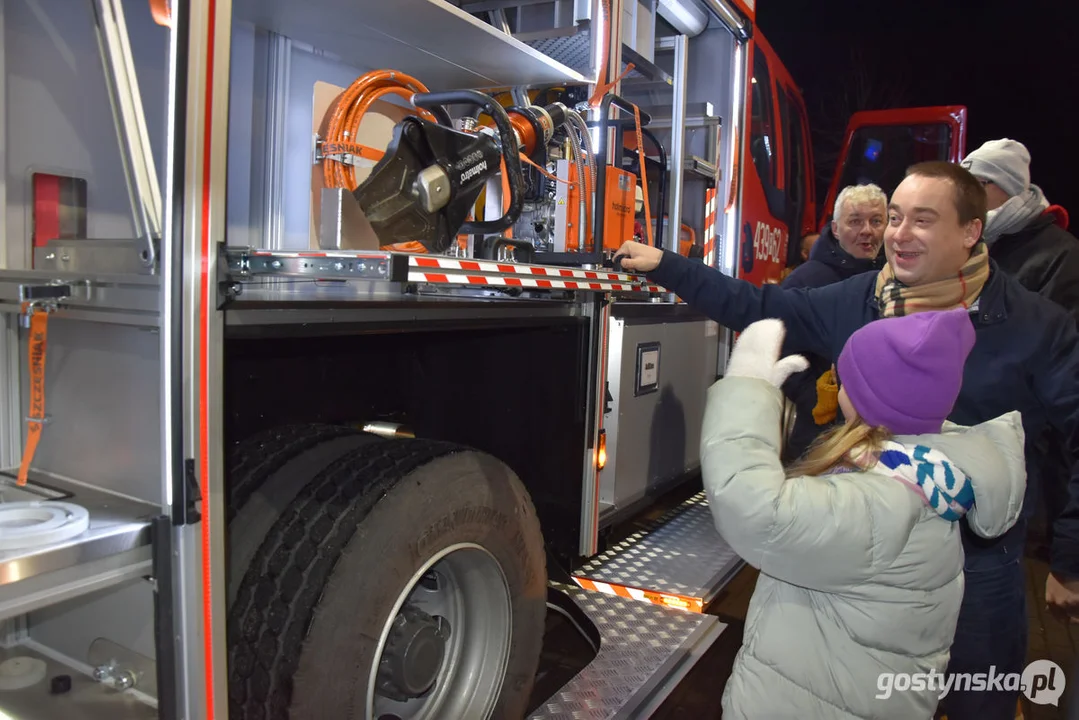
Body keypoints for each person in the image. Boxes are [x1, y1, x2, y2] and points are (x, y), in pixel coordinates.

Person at [614, 160, 1079, 719]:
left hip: (981, 575)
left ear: (970, 232)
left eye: (923, 220)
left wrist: (1070, 558)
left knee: (982, 704)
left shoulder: (1037, 325)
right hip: (867, 569)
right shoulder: (861, 299)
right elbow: (763, 306)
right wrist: (669, 266)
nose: (898, 235)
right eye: (896, 218)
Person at [702, 312, 1025, 719]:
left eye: (845, 379)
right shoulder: (921, 474)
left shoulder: (880, 502)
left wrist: (746, 390)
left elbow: (753, 507)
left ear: (865, 397)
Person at [960, 139, 1079, 564]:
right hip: (963, 430)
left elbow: (1055, 355)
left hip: (1017, 436)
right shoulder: (976, 243)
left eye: (975, 183)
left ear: (1003, 188)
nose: (965, 193)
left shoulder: (1058, 254)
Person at [781, 183, 887, 461]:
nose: (867, 230)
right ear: (836, 228)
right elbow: (778, 348)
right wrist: (819, 400)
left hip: (884, 434)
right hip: (820, 434)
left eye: (877, 221)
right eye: (855, 221)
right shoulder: (805, 282)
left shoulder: (898, 280)